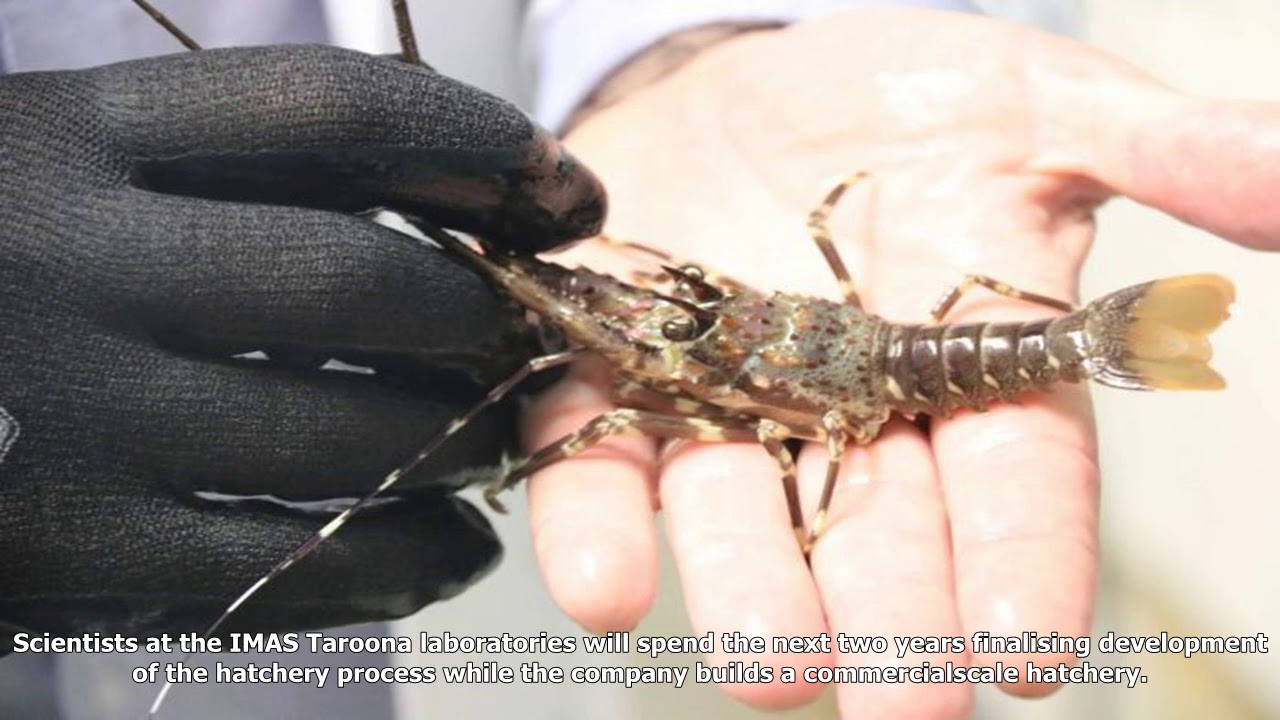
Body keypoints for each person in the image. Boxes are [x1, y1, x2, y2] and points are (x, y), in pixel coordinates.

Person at [4, 3, 1280, 720]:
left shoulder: (736, 390)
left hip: (940, 357)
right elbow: (716, 313)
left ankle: (1098, 344)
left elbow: (740, 399)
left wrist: (689, 34)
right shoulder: (715, 320)